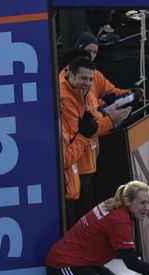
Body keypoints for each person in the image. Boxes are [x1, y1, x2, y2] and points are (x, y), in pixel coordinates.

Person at [60, 56, 131, 226]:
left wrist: (106, 113)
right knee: (80, 222)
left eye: (90, 79)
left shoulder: (87, 92)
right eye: (83, 78)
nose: (87, 83)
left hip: (88, 163)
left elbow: (94, 121)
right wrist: (111, 121)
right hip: (78, 170)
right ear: (70, 74)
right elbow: (84, 131)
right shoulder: (65, 98)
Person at [72, 31, 144, 109]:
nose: (92, 56)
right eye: (88, 51)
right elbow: (87, 106)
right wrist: (105, 104)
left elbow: (112, 91)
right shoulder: (67, 77)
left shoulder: (96, 75)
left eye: (95, 52)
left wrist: (131, 92)